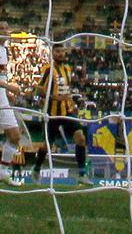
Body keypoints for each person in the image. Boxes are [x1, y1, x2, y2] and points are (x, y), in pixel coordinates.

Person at [31, 44, 90, 182]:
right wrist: (53, 97)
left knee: (81, 139)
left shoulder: (68, 68)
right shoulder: (48, 69)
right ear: (52, 53)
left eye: (62, 51)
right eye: (57, 51)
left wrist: (71, 102)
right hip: (51, 114)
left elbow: (67, 89)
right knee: (46, 146)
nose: (61, 54)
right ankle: (36, 168)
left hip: (67, 112)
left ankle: (82, 175)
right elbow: (38, 90)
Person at [0, 22, 25, 185]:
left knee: (15, 136)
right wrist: (9, 87)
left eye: (6, 28)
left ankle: (2, 172)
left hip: (1, 96)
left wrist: (7, 93)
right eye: (1, 28)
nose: (5, 31)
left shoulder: (4, 50)